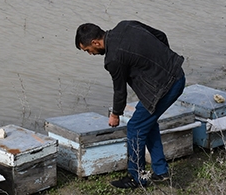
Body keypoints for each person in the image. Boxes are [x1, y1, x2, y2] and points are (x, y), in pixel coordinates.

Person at [75, 20, 186, 189]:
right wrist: (164, 63)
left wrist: (115, 114)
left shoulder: (113, 58)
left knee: (135, 128)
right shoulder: (126, 25)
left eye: (88, 50)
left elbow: (120, 91)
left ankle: (137, 177)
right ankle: (161, 171)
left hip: (165, 87)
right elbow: (160, 35)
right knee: (147, 123)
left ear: (95, 42)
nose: (90, 54)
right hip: (177, 73)